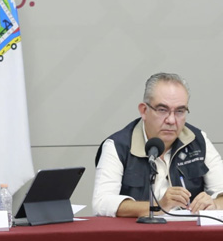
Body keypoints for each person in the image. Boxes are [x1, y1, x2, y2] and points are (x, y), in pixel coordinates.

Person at [93, 72, 223, 218]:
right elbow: (101, 203)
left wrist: (215, 204)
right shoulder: (117, 146)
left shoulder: (198, 140)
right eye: (162, 110)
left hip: (187, 229)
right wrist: (158, 206)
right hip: (137, 231)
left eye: (180, 111)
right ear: (144, 110)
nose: (171, 120)